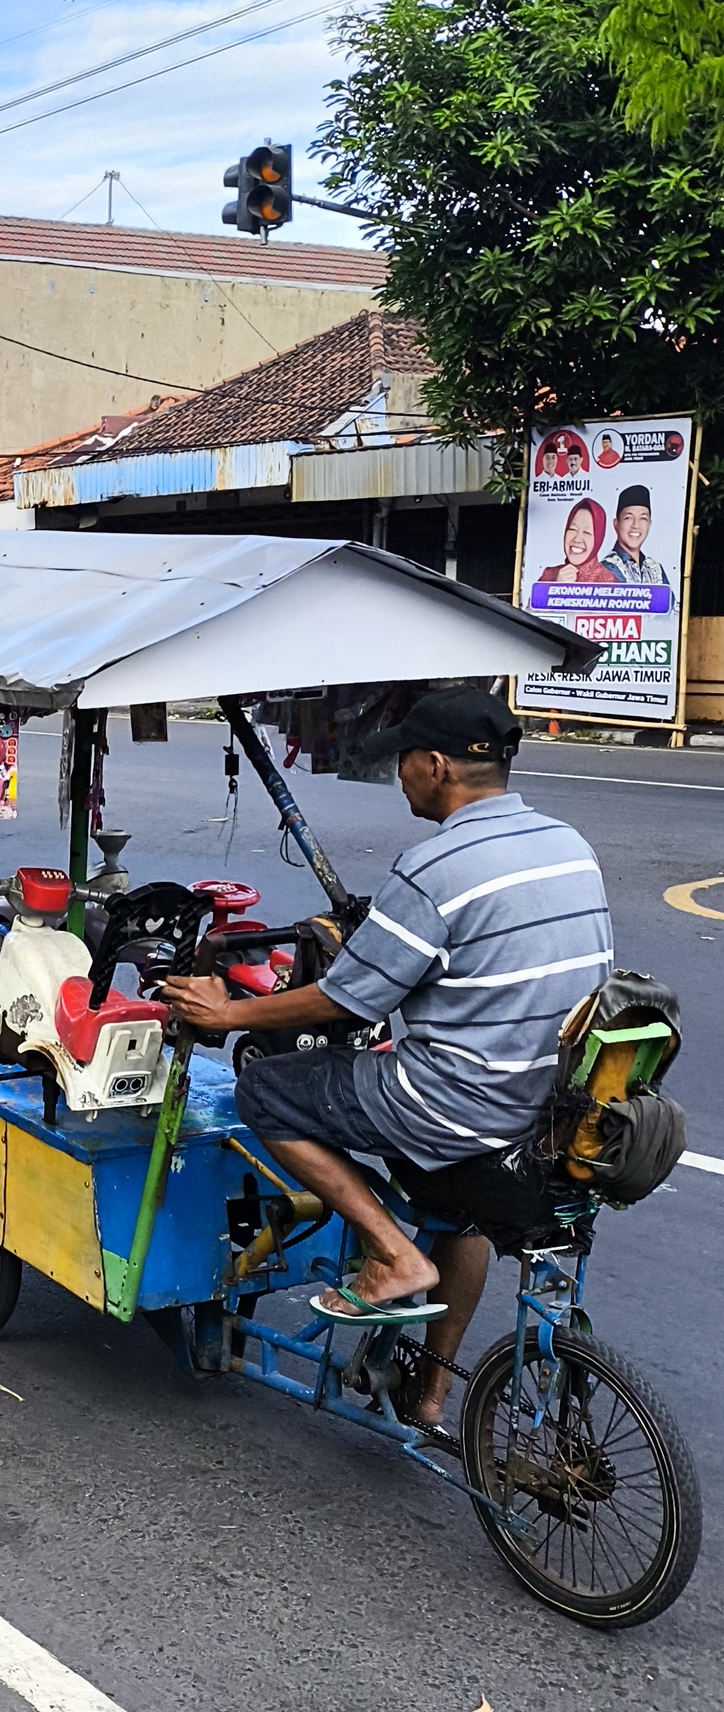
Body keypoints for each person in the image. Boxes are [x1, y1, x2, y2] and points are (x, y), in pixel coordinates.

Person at [161, 688, 612, 1435]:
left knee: (267, 1089)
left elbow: (346, 1002)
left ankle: (392, 1252)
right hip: (548, 1108)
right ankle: (429, 1399)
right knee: (457, 1212)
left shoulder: (438, 866)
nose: (399, 774)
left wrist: (230, 1013)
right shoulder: (569, 845)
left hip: (457, 1104)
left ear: (437, 766)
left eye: (404, 760)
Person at [601, 485, 672, 595]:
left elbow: (670, 608)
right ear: (616, 524)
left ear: (649, 525)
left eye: (643, 518)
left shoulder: (655, 568)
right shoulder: (606, 568)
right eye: (628, 518)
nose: (636, 525)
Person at [536, 499, 615, 586]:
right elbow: (533, 600)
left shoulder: (609, 582)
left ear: (598, 539)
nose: (577, 539)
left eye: (587, 532)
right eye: (573, 529)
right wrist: (556, 586)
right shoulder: (549, 575)